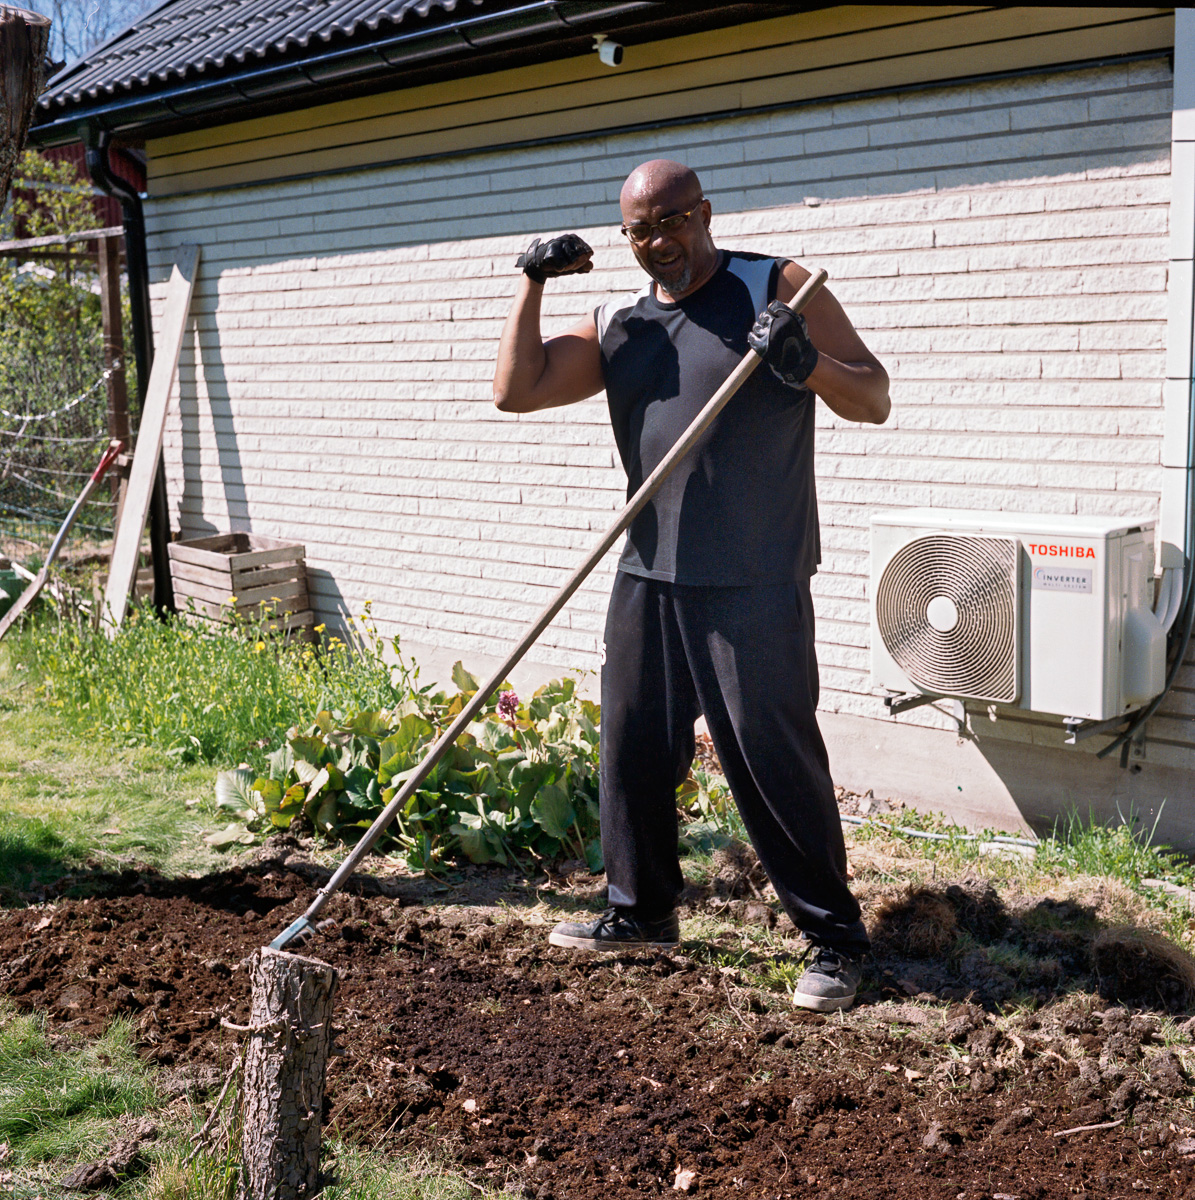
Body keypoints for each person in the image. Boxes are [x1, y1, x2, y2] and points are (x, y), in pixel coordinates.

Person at [492, 159, 890, 1011]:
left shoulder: (774, 285)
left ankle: (834, 942)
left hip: (753, 576)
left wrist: (802, 358)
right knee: (632, 747)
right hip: (648, 570)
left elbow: (872, 398)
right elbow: (514, 391)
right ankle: (638, 913)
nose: (658, 242)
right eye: (640, 230)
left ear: (703, 213)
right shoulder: (622, 323)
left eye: (672, 222)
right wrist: (529, 284)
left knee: (771, 759)